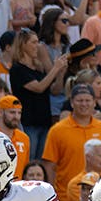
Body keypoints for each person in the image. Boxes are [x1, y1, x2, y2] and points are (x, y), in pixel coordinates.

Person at [42, 82, 101, 201]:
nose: (84, 104)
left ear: (94, 102)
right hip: (66, 199)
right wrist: (52, 198)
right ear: (72, 102)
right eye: (80, 100)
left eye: (88, 100)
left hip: (100, 199)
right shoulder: (57, 130)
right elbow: (49, 167)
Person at [11, 27, 67, 163]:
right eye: (34, 42)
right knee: (29, 161)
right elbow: (39, 87)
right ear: (23, 45)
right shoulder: (18, 69)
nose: (38, 46)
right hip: (28, 122)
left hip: (44, 120)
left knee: (42, 162)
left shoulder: (38, 68)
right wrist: (55, 68)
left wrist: (61, 73)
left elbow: (54, 90)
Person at [0, 94, 30, 177]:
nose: (16, 117)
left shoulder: (24, 138)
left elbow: (25, 170)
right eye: (12, 112)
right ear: (0, 112)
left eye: (19, 113)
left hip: (17, 188)